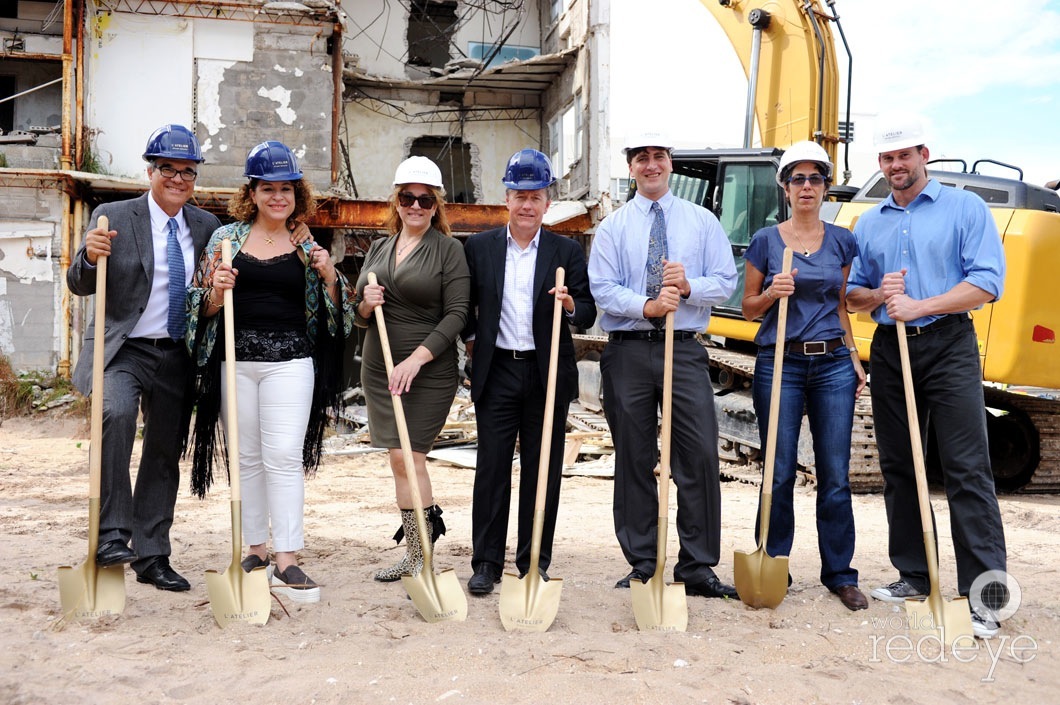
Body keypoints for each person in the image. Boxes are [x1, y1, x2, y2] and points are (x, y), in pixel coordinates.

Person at [845, 113, 1007, 638]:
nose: (897, 166)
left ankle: (986, 595)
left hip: (949, 344)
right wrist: (876, 296)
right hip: (891, 351)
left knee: (966, 468)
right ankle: (914, 575)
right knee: (900, 465)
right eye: (888, 158)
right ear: (880, 164)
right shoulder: (869, 223)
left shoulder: (965, 208)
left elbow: (985, 283)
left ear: (924, 155)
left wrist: (920, 306)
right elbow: (855, 295)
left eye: (905, 156)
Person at [186, 140, 354, 603]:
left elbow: (338, 313)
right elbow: (197, 308)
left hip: (290, 364)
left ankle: (288, 558)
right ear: (252, 192)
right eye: (268, 189)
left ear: (297, 194)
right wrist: (217, 291)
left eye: (286, 189)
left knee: (282, 455)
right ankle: (255, 549)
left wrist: (326, 274)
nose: (278, 197)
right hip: (236, 363)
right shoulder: (225, 240)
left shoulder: (306, 244)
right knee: (246, 458)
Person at [66, 124, 221, 592]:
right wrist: (90, 259)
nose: (178, 179)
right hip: (124, 347)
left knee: (164, 451)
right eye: (168, 169)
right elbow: (79, 282)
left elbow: (209, 290)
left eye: (187, 172)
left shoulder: (206, 227)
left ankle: (152, 554)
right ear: (150, 171)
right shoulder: (112, 215)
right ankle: (112, 535)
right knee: (113, 413)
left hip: (178, 353)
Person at [587, 130, 739, 598]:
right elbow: (603, 288)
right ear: (630, 167)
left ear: (669, 162)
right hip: (628, 349)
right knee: (633, 457)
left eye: (658, 156)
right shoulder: (613, 226)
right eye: (641, 158)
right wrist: (646, 306)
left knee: (697, 455)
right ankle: (643, 563)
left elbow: (726, 281)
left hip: (686, 348)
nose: (651, 165)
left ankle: (696, 566)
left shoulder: (702, 221)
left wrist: (689, 287)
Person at [741, 141, 868, 611]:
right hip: (781, 362)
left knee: (835, 473)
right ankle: (774, 563)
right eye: (798, 178)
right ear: (786, 188)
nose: (807, 186)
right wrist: (773, 291)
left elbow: (841, 304)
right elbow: (749, 308)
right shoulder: (765, 241)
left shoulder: (842, 241)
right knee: (778, 472)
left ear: (826, 187)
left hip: (833, 362)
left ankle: (840, 574)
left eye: (816, 178)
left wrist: (854, 355)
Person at [462, 150, 596, 595]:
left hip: (546, 374)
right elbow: (464, 312)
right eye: (519, 195)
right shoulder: (479, 248)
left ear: (546, 202)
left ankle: (533, 561)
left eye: (535, 197)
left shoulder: (566, 251)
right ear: (507, 198)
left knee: (544, 472)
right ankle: (486, 563)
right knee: (492, 469)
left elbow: (589, 311)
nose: (526, 205)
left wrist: (571, 303)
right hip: (497, 370)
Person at [355, 156, 471, 582]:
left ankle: (423, 553)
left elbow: (457, 315)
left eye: (425, 199)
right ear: (397, 200)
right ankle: (415, 553)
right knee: (398, 461)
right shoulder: (380, 247)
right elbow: (360, 315)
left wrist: (417, 359)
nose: (416, 206)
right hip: (381, 364)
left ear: (436, 204)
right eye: (408, 198)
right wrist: (367, 304)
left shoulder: (449, 251)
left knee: (411, 455)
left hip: (427, 369)